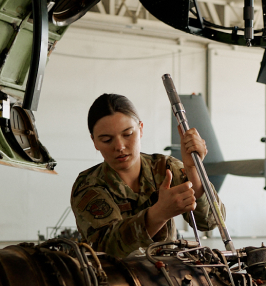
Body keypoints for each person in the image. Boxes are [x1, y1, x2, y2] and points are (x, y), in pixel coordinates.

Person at [71, 93, 226, 257]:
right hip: (116, 280)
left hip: (168, 276)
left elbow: (210, 222)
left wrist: (193, 169)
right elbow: (107, 248)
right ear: (94, 141)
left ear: (141, 129)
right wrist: (159, 213)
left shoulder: (165, 168)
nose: (120, 146)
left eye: (128, 134)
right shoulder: (89, 185)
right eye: (107, 139)